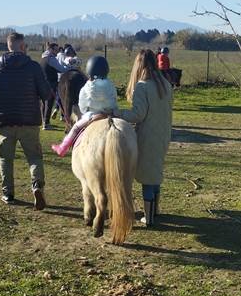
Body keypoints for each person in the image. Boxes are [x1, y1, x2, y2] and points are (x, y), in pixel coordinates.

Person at [0, 31, 51, 209]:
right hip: (29, 121)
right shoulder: (33, 67)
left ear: (8, 45)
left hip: (5, 122)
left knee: (6, 159)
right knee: (34, 157)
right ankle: (37, 186)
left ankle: (8, 193)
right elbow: (46, 93)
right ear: (22, 46)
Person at [115, 48, 172, 227]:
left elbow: (138, 115)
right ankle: (156, 209)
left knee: (148, 175)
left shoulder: (142, 86)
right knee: (155, 171)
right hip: (163, 134)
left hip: (148, 135)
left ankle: (149, 217)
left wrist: (116, 113)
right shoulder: (165, 83)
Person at [51, 55, 118, 157]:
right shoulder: (111, 85)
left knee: (75, 128)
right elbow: (114, 100)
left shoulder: (87, 86)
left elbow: (82, 106)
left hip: (91, 115)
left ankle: (62, 148)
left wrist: (85, 112)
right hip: (110, 113)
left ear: (89, 70)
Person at [41, 42, 71, 129]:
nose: (57, 51)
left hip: (43, 83)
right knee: (49, 103)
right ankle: (46, 124)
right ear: (51, 49)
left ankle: (44, 121)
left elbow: (53, 69)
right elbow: (61, 69)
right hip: (50, 83)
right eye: (56, 49)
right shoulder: (51, 58)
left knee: (44, 103)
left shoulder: (44, 57)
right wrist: (71, 67)